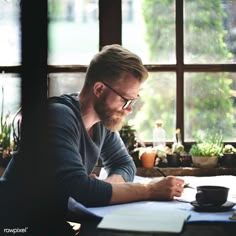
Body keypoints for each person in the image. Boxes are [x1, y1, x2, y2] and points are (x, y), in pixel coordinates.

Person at [46, 44, 185, 207]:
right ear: (99, 89)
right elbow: (79, 190)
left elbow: (124, 164)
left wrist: (105, 187)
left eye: (133, 100)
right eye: (125, 100)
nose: (130, 109)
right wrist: (151, 190)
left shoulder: (102, 121)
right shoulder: (58, 115)